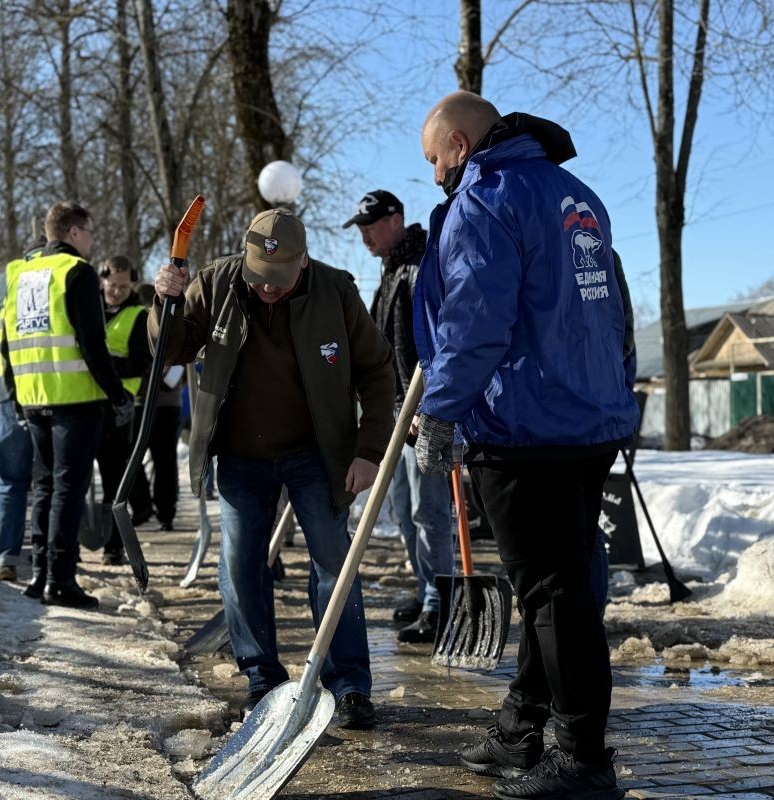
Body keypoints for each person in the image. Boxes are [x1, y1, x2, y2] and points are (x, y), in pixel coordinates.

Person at [413, 92, 638, 799]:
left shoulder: (486, 199)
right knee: (558, 587)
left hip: (522, 424)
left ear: (458, 143)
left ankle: (581, 759)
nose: (434, 176)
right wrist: (615, 393)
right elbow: (615, 311)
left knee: (552, 594)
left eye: (434, 159)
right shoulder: (577, 195)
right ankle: (521, 727)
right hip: (588, 421)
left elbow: (475, 321)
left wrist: (440, 411)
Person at [150, 208, 395, 729]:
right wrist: (164, 301)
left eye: (279, 279)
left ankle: (350, 683)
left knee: (334, 565)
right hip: (240, 455)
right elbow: (169, 349)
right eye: (259, 276)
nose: (267, 288)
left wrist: (368, 450)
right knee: (240, 567)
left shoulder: (335, 291)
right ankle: (261, 678)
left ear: (303, 261)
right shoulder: (216, 283)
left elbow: (377, 369)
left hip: (318, 454)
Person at [1, 202, 134, 608]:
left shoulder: (19, 274)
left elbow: (6, 342)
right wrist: (117, 394)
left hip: (33, 396)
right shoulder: (76, 272)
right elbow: (92, 343)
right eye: (90, 232)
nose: (92, 241)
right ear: (74, 232)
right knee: (68, 490)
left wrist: (15, 393)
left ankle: (40, 574)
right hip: (74, 399)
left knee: (44, 487)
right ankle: (60, 580)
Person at [343, 189, 453, 644]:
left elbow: (438, 339)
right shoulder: (390, 270)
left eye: (371, 226)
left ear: (396, 220)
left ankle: (441, 600)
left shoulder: (423, 264)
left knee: (429, 511)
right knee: (406, 510)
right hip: (397, 410)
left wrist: (428, 405)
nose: (365, 236)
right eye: (361, 229)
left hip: (422, 409)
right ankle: (426, 587)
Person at [0, 237, 43, 582]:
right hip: (53, 392)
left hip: (10, 392)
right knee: (50, 482)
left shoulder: (3, 278)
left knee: (10, 481)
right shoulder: (61, 272)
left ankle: (5, 559)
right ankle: (45, 557)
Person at [97, 255, 150, 565]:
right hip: (85, 401)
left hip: (119, 406)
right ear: (102, 280)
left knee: (114, 480)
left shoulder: (138, 316)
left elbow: (141, 364)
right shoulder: (90, 308)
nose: (116, 291)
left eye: (123, 286)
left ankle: (113, 545)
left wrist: (105, 366)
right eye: (112, 285)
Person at [127, 280, 184, 533]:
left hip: (164, 403)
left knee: (163, 460)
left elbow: (178, 364)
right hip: (143, 401)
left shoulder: (168, 324)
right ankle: (148, 508)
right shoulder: (136, 325)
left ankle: (163, 511)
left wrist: (159, 376)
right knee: (139, 457)